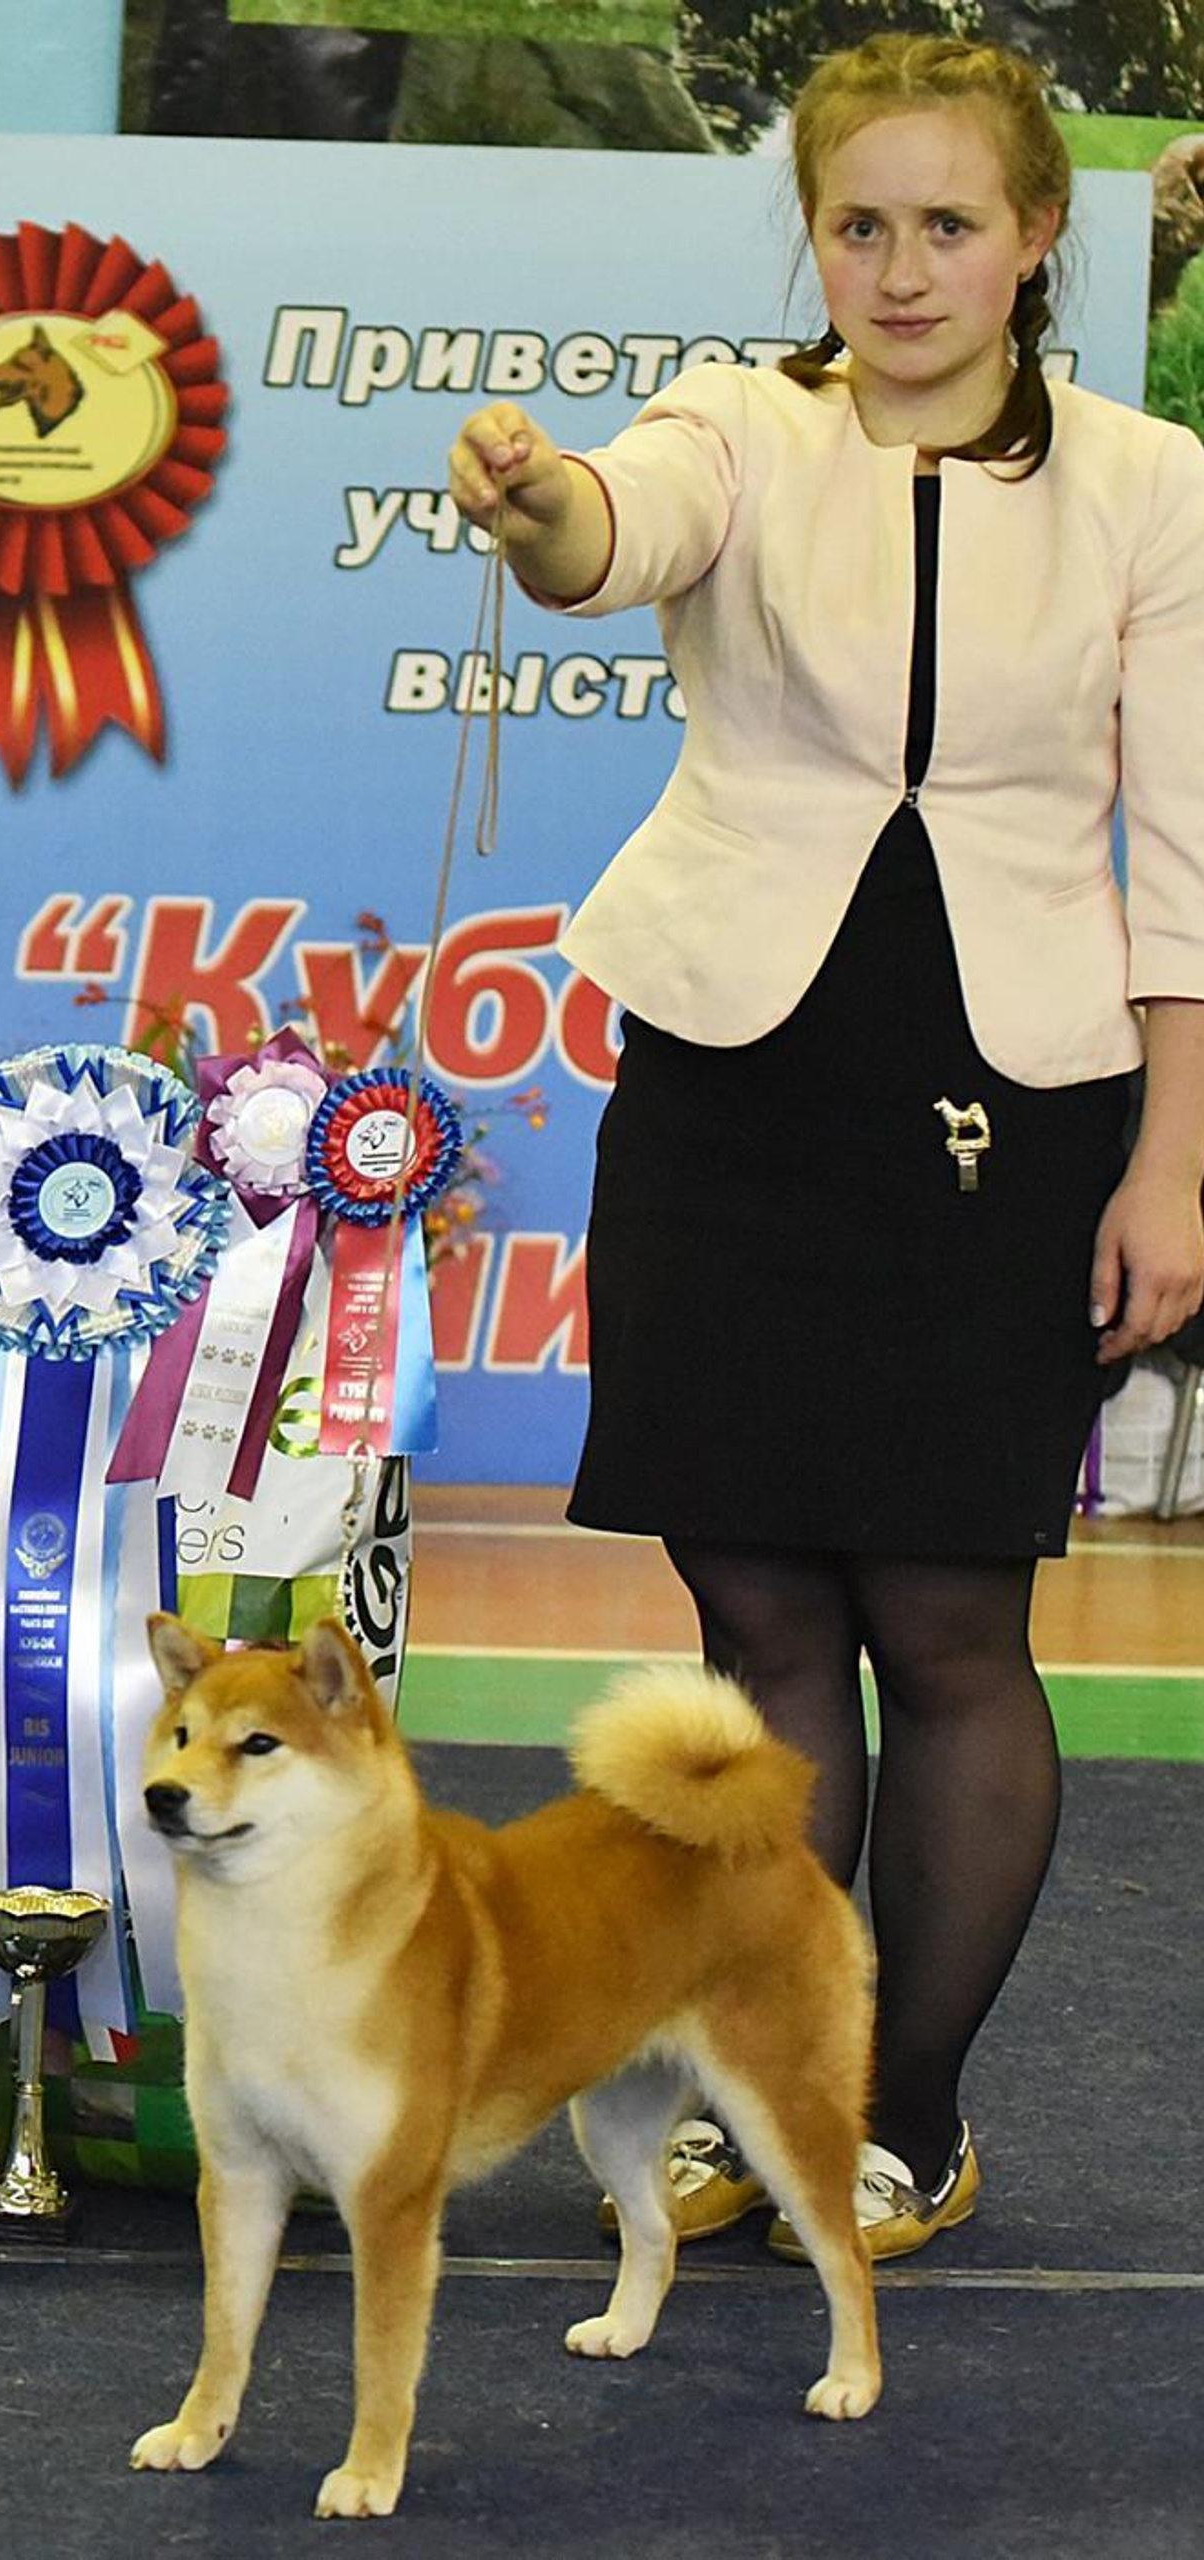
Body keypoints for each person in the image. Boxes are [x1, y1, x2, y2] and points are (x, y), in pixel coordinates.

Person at [446, 31, 1204, 2262]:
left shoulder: (1151, 484)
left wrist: (1174, 1162)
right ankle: (764, 2087)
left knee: (950, 1620)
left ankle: (904, 2119)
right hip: (728, 1078)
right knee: (759, 1608)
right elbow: (612, 529)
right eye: (855, 223)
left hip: (1014, 1098)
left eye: (944, 223)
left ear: (1037, 236)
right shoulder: (736, 423)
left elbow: (1181, 849)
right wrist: (530, 502)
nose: (896, 269)